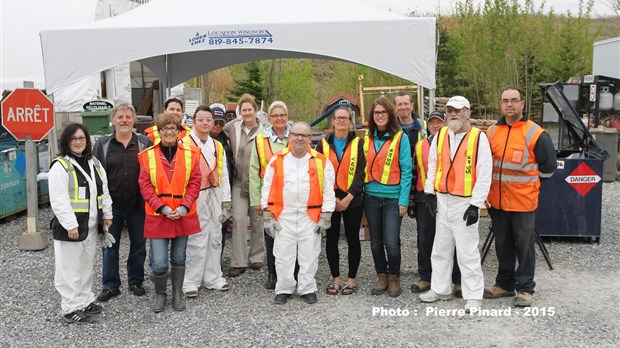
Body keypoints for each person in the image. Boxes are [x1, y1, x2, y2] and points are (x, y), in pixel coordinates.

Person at [484, 87, 557, 307]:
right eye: (505, 100)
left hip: (523, 203)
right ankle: (504, 284)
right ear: (500, 104)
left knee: (524, 247)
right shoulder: (491, 133)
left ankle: (525, 289)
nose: (509, 105)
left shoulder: (535, 133)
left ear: (522, 104)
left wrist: (530, 186)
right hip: (497, 202)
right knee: (503, 244)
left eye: (514, 101)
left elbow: (549, 168)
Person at [419, 96, 492, 313]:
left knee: (467, 251)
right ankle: (440, 289)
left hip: (464, 201)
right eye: (450, 110)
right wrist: (430, 192)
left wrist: (476, 204)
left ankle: (473, 296)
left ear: (467, 113)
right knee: (440, 248)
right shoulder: (441, 135)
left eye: (457, 110)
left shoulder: (479, 138)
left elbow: (485, 173)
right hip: (443, 200)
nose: (453, 114)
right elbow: (433, 164)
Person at [261, 122, 336, 305]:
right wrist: (267, 216)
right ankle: (284, 288)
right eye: (296, 134)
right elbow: (267, 188)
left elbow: (328, 191)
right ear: (289, 137)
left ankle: (307, 288)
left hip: (310, 217)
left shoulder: (321, 161)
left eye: (304, 135)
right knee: (283, 254)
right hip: (283, 216)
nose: (300, 138)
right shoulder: (277, 160)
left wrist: (326, 216)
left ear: (311, 139)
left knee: (309, 255)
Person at [49, 123, 113, 324]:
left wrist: (107, 215)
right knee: (69, 268)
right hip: (72, 228)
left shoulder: (93, 162)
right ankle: (70, 308)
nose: (78, 142)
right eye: (73, 139)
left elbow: (104, 191)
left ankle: (85, 301)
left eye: (81, 138)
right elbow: (58, 199)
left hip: (91, 225)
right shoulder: (61, 166)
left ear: (87, 141)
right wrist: (70, 225)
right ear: (66, 142)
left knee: (86, 265)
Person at [138, 113, 202, 312]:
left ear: (179, 131)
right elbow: (145, 185)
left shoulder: (191, 153)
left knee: (179, 258)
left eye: (173, 128)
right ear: (159, 131)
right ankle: (160, 294)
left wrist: (184, 207)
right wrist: (163, 208)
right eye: (165, 128)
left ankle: (176, 293)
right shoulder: (147, 155)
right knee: (159, 263)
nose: (169, 132)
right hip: (158, 215)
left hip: (182, 214)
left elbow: (195, 182)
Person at [93, 103, 152, 303]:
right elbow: (95, 176)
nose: (124, 120)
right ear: (113, 120)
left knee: (138, 245)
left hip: (138, 205)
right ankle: (110, 285)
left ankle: (136, 281)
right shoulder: (102, 145)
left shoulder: (145, 143)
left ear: (134, 120)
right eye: (120, 117)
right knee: (110, 245)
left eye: (128, 117)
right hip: (112, 207)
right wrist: (100, 208)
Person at [363, 98, 413, 298]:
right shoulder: (366, 139)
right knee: (376, 241)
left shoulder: (401, 138)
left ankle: (394, 276)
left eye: (383, 112)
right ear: (372, 116)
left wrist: (403, 200)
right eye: (376, 113)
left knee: (391, 241)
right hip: (371, 197)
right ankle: (381, 275)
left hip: (393, 199)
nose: (380, 115)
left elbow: (407, 171)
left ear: (390, 114)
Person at [182, 105, 232, 297]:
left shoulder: (217, 145)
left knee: (215, 237)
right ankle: (191, 282)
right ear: (193, 122)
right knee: (196, 240)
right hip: (195, 196)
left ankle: (213, 277)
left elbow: (224, 173)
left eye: (208, 120)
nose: (205, 123)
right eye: (201, 119)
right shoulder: (184, 143)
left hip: (215, 194)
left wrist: (226, 200)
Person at [315, 105, 365, 295]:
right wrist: (333, 198)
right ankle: (335, 278)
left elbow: (361, 172)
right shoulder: (323, 144)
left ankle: (351, 279)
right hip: (330, 198)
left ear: (351, 122)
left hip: (352, 198)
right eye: (338, 118)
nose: (341, 121)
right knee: (331, 239)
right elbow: (318, 172)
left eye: (345, 118)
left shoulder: (359, 143)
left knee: (353, 239)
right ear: (333, 122)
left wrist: (348, 198)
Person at [411, 111, 462, 295]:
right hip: (425, 197)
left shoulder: (454, 143)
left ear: (446, 124)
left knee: (453, 238)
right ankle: (426, 277)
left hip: (449, 196)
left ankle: (457, 280)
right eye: (432, 122)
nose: (435, 125)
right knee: (425, 238)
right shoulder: (419, 146)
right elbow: (415, 172)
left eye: (439, 122)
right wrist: (412, 200)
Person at [249, 100, 290, 289]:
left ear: (287, 117)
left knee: (291, 236)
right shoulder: (260, 139)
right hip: (270, 196)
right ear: (270, 118)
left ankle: (291, 274)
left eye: (282, 115)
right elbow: (254, 171)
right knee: (271, 235)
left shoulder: (296, 136)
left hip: (292, 195)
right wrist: (256, 201)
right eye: (275, 115)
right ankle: (273, 274)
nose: (279, 118)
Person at [223, 93, 265, 277]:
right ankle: (238, 262)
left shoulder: (265, 130)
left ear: (255, 110)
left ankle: (257, 257)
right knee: (239, 219)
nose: (247, 113)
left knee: (257, 221)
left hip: (258, 183)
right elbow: (216, 130)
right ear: (239, 112)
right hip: (239, 182)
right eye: (243, 110)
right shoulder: (232, 127)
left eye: (250, 109)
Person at [209, 104, 235, 252]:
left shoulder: (226, 139)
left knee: (222, 226)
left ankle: (217, 260)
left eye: (220, 123)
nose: (217, 125)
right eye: (214, 122)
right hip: (205, 190)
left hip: (224, 188)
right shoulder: (199, 139)